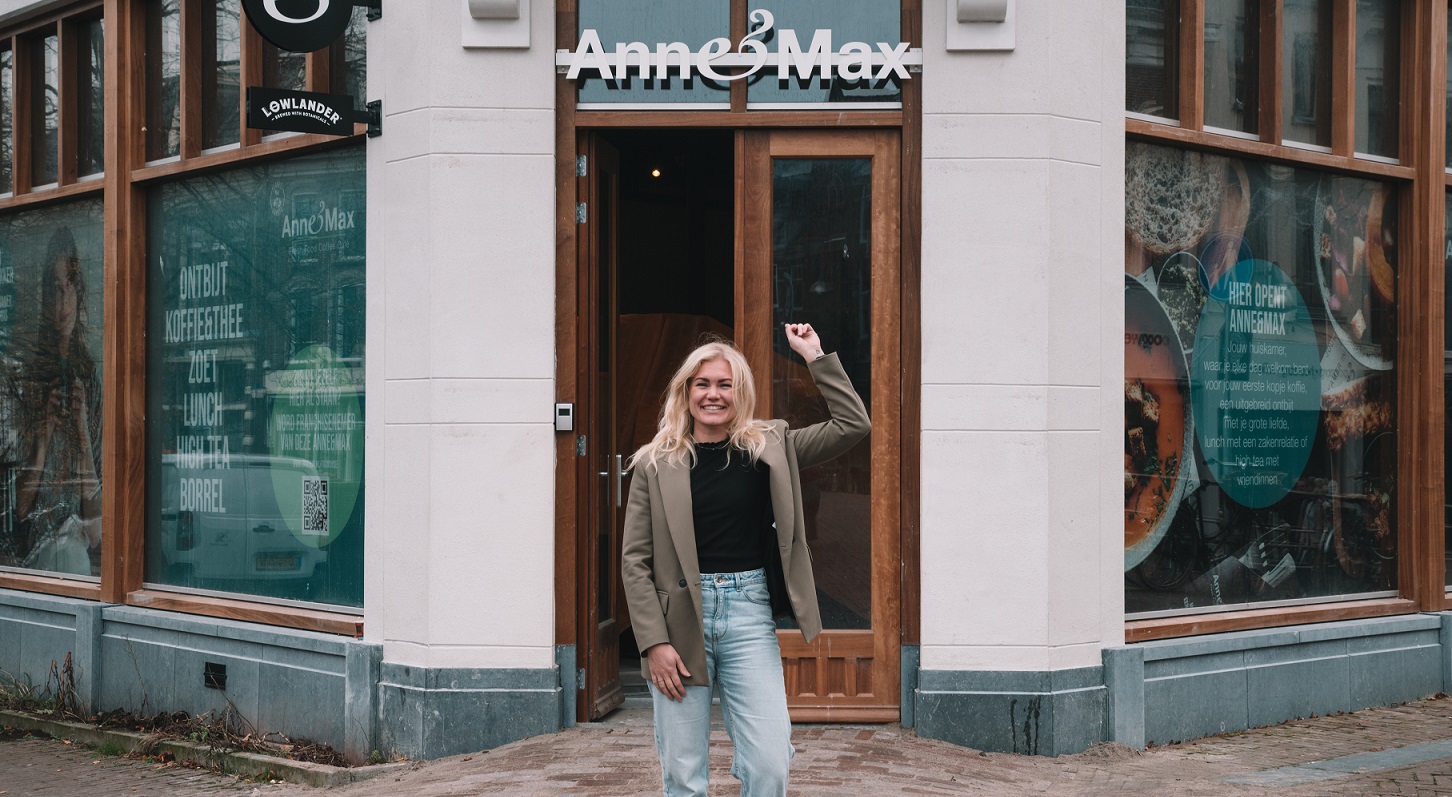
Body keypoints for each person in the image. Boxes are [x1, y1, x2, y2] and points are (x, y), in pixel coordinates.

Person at [621, 323, 870, 797]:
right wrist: (653, 642)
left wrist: (815, 356)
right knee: (683, 773)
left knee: (770, 763)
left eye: (724, 384)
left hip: (747, 613)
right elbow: (635, 561)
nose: (712, 395)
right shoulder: (655, 462)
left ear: (740, 393)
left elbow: (853, 425)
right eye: (702, 384)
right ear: (686, 391)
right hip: (679, 625)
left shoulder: (771, 445)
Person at [2, 228, 101, 574]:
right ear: (45, 298)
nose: (63, 303)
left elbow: (97, 529)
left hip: (78, 562)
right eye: (55, 290)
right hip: (33, 565)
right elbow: (18, 510)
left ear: (80, 292)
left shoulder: (89, 382)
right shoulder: (27, 380)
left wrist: (83, 433)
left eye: (70, 286)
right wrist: (42, 436)